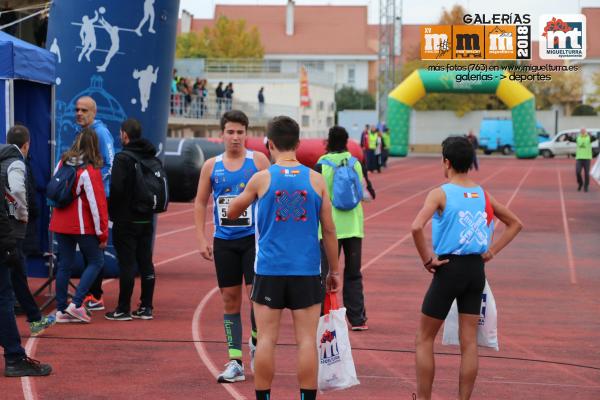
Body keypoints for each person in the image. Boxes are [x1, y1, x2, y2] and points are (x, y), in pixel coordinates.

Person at [228, 116, 341, 400]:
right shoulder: (316, 180)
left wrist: (246, 195)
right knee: (306, 342)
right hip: (306, 271)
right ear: (299, 144)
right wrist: (334, 271)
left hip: (268, 271)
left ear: (270, 144)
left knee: (266, 339)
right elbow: (329, 230)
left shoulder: (261, 178)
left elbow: (231, 213)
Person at [410, 136, 522, 400]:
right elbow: (515, 223)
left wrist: (427, 258)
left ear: (446, 162)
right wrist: (491, 251)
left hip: (448, 268)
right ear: (471, 163)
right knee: (469, 342)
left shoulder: (440, 193)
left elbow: (416, 227)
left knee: (424, 339)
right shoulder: (483, 194)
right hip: (475, 271)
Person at [194, 110, 270, 383]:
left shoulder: (258, 161)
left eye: (240, 132)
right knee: (229, 300)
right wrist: (202, 239)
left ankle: (255, 339)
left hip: (253, 241)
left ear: (246, 134)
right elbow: (201, 202)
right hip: (225, 242)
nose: (235, 137)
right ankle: (235, 361)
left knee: (256, 297)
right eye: (230, 132)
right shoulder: (211, 166)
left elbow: (271, 196)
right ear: (222, 134)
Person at [0, 125, 55, 336]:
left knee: (16, 277)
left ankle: (35, 318)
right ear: (26, 145)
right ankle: (33, 322)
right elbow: (14, 191)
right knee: (14, 278)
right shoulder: (16, 163)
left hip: (5, 228)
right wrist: (20, 215)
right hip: (10, 231)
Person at [50, 128, 109, 323]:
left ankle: (60, 310)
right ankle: (75, 304)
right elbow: (97, 204)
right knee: (96, 261)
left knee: (64, 265)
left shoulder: (62, 162)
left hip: (59, 222)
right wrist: (102, 233)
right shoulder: (89, 170)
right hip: (81, 225)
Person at [315, 126, 368, 331]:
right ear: (347, 141)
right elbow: (362, 191)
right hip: (354, 226)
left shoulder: (321, 164)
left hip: (329, 227)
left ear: (328, 141)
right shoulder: (355, 163)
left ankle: (321, 316)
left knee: (323, 274)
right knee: (353, 273)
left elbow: (316, 193)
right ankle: (357, 318)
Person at [105, 119, 157, 321]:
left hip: (126, 219)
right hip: (146, 219)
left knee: (126, 264)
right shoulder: (151, 156)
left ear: (124, 135)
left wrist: (113, 212)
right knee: (146, 263)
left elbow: (116, 188)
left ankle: (123, 308)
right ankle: (146, 307)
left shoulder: (122, 158)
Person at [1, 189, 52, 377]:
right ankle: (14, 358)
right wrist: (8, 242)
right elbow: (12, 198)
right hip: (7, 236)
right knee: (4, 298)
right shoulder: (14, 162)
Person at [73, 96, 114, 312]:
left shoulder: (100, 133)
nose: (79, 113)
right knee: (88, 246)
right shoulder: (80, 132)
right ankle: (90, 292)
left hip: (97, 198)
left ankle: (96, 295)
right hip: (83, 198)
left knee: (96, 245)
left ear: (94, 113)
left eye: (84, 110)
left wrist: (92, 182)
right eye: (77, 109)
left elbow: (110, 163)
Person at [570, 128, 593, 192]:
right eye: (581, 131)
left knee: (586, 173)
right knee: (578, 172)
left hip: (587, 158)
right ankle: (580, 183)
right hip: (579, 158)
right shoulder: (578, 138)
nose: (583, 132)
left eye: (584, 131)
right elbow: (571, 139)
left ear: (586, 132)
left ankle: (586, 186)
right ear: (580, 132)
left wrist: (592, 135)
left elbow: (595, 138)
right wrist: (568, 137)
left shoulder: (589, 138)